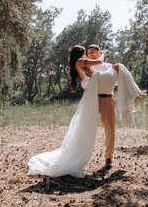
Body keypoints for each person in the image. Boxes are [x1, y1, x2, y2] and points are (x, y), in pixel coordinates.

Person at [26, 45, 103, 178]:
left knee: (84, 129)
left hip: (90, 99)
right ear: (80, 54)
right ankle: (74, 158)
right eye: (85, 52)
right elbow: (100, 61)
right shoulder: (81, 62)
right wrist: (102, 54)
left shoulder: (82, 64)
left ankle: (77, 155)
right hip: (89, 100)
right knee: (84, 129)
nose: (86, 55)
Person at [81, 44, 147, 171]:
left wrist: (135, 91)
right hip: (92, 100)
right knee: (85, 128)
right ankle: (81, 158)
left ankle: (108, 158)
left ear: (99, 52)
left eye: (94, 52)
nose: (91, 54)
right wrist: (88, 76)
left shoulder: (111, 68)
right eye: (89, 53)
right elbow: (84, 86)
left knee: (110, 130)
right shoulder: (86, 68)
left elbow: (123, 80)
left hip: (107, 100)